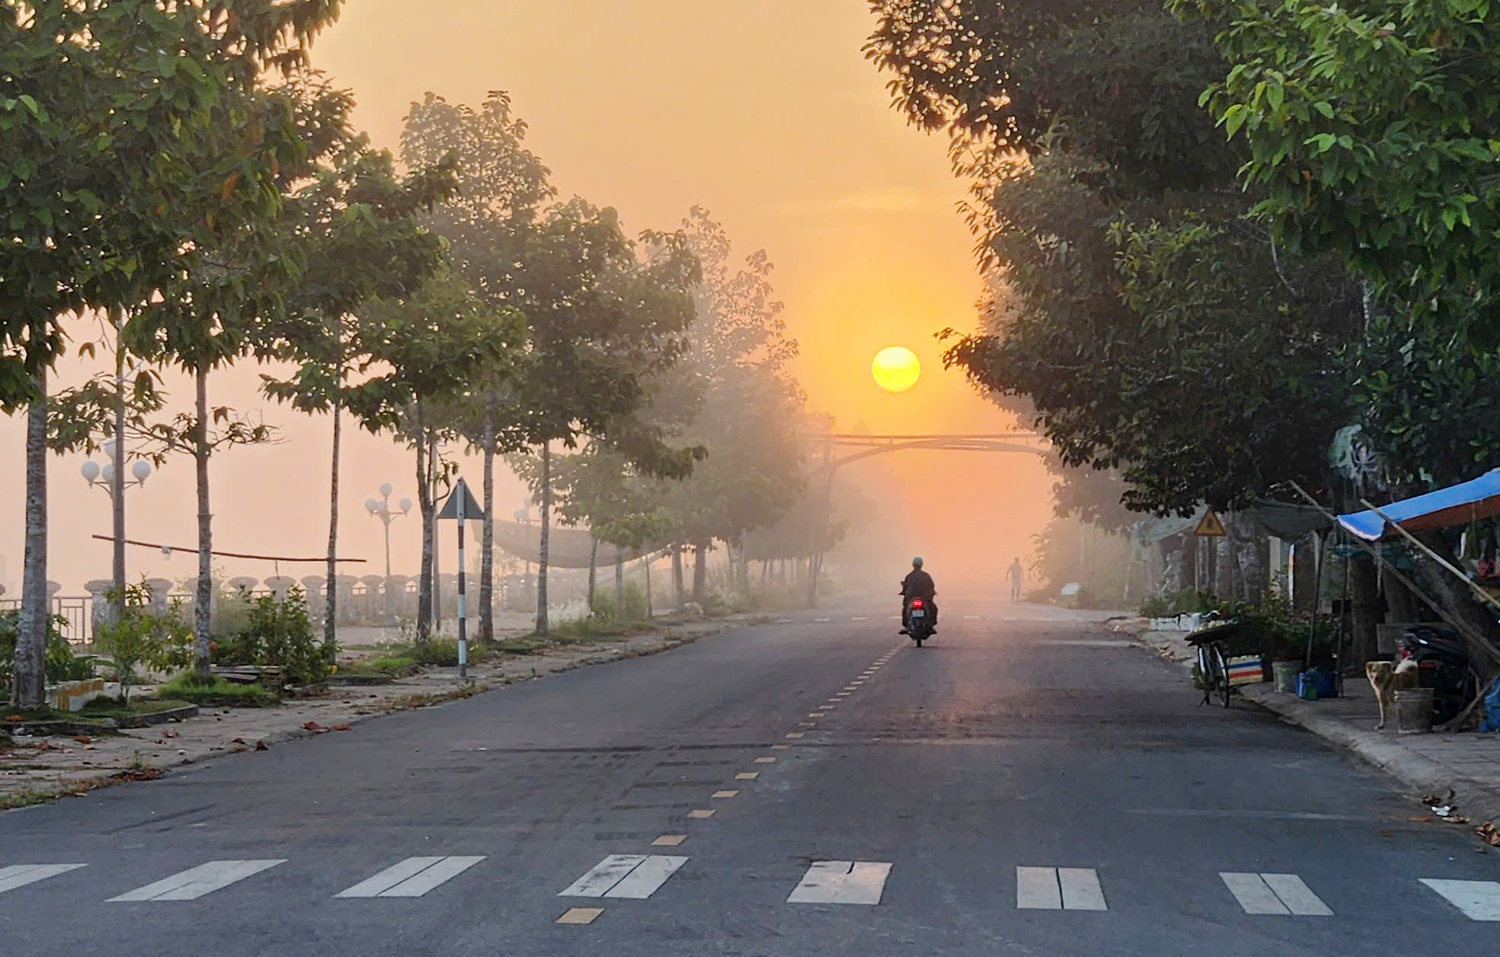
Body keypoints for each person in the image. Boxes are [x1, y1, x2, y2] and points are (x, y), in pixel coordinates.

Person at [900, 556, 937, 633]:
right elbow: (931, 586)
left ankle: (906, 626)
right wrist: (932, 593)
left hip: (911, 598)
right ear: (921, 565)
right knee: (933, 608)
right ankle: (931, 626)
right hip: (924, 598)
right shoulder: (926, 576)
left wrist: (904, 592)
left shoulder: (909, 576)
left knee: (905, 608)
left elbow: (905, 587)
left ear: (913, 565)